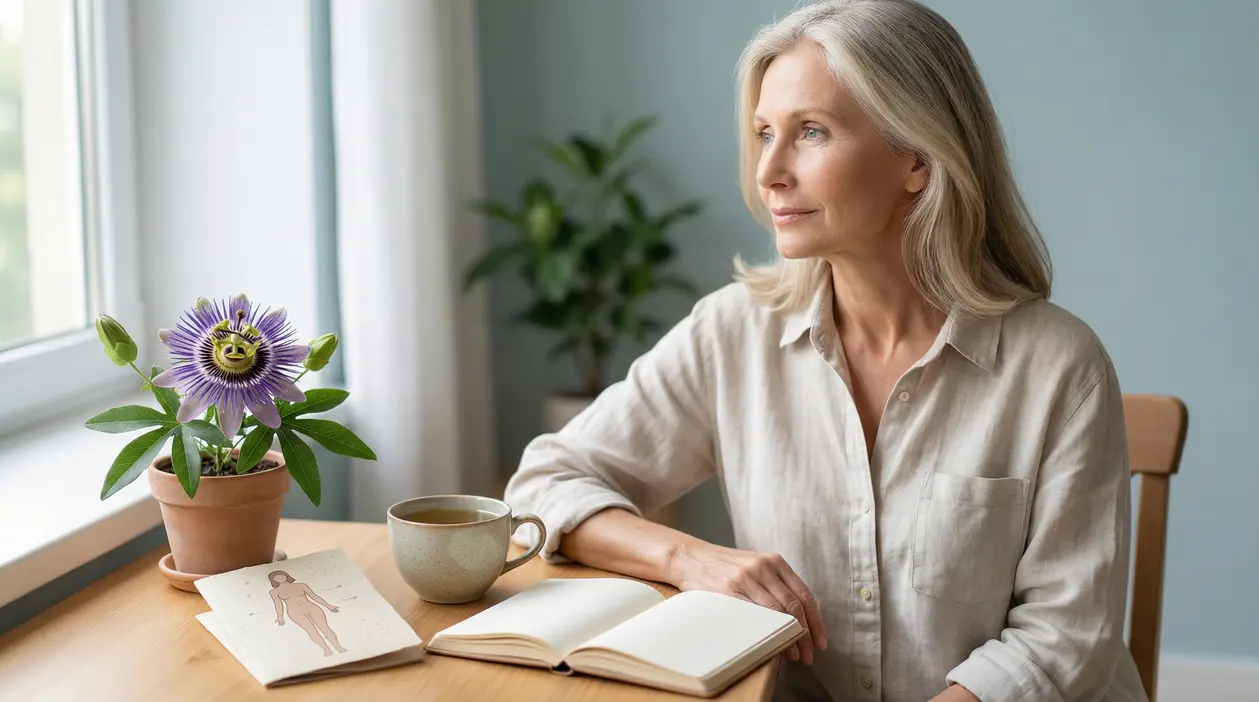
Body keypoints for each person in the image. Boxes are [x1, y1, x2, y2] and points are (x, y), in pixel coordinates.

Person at [503, 1, 1146, 700]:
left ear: (919, 160)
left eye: (811, 131)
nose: (769, 171)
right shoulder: (732, 334)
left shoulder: (1059, 368)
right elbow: (544, 485)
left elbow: (1066, 635)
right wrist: (692, 559)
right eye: (762, 133)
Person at [268, 570, 346, 657]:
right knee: (311, 631)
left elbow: (314, 596)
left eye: (281, 575)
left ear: (286, 575)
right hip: (295, 613)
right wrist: (280, 617)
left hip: (311, 608)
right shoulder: (274, 592)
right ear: (274, 580)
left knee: (325, 628)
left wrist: (328, 606)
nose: (280, 578)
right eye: (277, 577)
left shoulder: (301, 585)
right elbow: (278, 604)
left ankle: (338, 647)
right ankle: (326, 649)